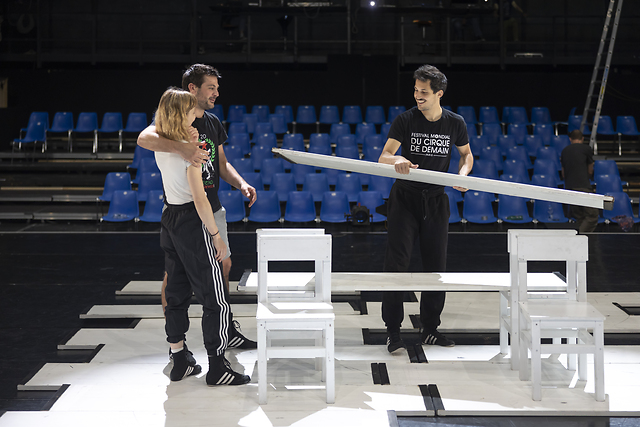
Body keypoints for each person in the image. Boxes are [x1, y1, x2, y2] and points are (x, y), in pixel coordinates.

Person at [137, 64, 258, 359]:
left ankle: (223, 330)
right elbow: (143, 138)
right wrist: (183, 148)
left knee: (222, 268)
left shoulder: (212, 122)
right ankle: (181, 345)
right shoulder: (173, 127)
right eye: (210, 88)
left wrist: (241, 183)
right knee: (178, 277)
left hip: (209, 206)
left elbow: (221, 163)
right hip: (189, 209)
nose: (216, 93)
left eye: (217, 87)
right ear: (192, 89)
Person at [153, 87, 249, 385]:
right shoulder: (191, 152)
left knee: (176, 290)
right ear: (181, 113)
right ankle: (217, 367)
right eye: (191, 109)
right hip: (193, 222)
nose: (197, 112)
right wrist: (216, 235)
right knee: (215, 298)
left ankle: (179, 357)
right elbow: (199, 199)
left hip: (169, 218)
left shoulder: (163, 144)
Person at [378, 64, 473, 353]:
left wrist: (462, 175)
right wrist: (398, 160)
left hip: (436, 200)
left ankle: (430, 329)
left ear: (439, 94)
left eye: (424, 92)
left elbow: (466, 155)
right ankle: (392, 331)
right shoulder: (405, 119)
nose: (417, 96)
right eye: (416, 90)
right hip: (405, 199)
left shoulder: (455, 123)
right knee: (397, 264)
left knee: (435, 267)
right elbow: (384, 155)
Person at [561, 130, 599, 233]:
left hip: (570, 187)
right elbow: (590, 170)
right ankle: (580, 236)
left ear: (570, 139)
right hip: (583, 185)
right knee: (592, 215)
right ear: (582, 139)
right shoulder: (586, 149)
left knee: (579, 216)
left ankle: (582, 238)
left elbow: (563, 173)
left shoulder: (564, 151)